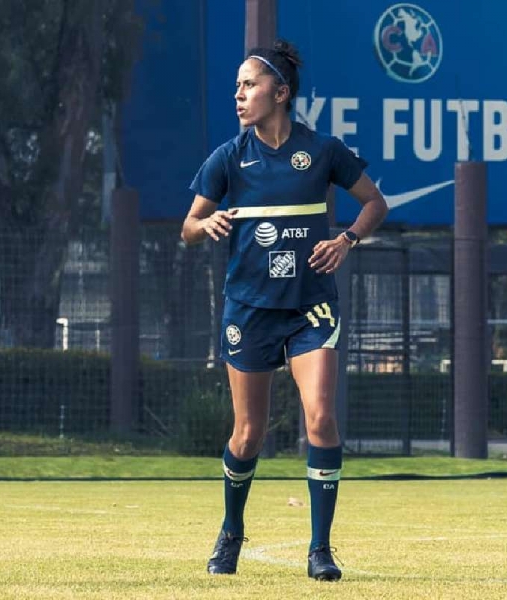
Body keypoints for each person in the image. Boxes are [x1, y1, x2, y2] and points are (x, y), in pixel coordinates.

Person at [181, 39, 388, 581]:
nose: (239, 95)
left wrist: (346, 241)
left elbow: (375, 203)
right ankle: (231, 532)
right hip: (249, 308)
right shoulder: (229, 157)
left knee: (320, 416)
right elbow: (188, 227)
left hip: (310, 307)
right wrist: (207, 226)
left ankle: (320, 550)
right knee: (248, 434)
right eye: (237, 87)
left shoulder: (322, 151)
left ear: (281, 92)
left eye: (248, 85)